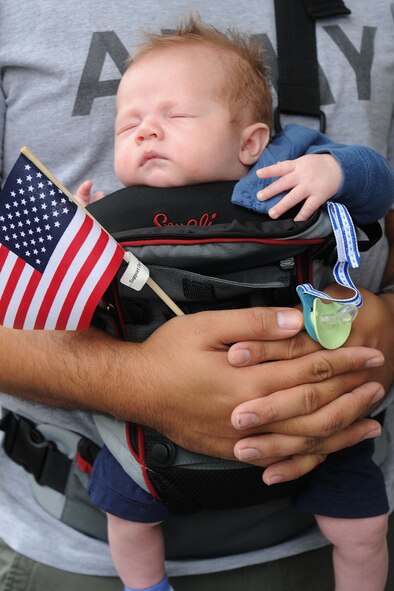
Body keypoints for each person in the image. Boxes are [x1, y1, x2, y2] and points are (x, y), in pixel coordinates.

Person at [0, 2, 392, 591]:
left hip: (321, 425)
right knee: (127, 519)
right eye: (127, 127)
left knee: (363, 525)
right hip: (106, 477)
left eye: (173, 116)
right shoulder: (110, 217)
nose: (145, 131)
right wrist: (74, 228)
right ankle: (147, 586)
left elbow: (374, 181)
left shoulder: (281, 168)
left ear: (251, 141)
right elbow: (64, 286)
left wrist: (332, 174)